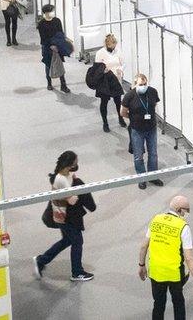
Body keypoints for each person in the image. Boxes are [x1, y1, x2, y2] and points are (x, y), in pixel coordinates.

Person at [138, 195, 193, 320]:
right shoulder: (183, 227)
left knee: (158, 304)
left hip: (156, 272)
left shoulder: (156, 219)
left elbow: (143, 246)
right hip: (175, 275)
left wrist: (141, 265)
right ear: (179, 210)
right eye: (186, 210)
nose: (187, 213)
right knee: (178, 303)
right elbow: (189, 259)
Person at [33, 151, 95, 282]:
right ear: (69, 164)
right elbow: (71, 200)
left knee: (67, 240)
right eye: (75, 163)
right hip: (65, 217)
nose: (77, 165)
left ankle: (41, 260)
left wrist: (75, 181)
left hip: (63, 216)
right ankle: (77, 272)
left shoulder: (66, 175)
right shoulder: (61, 179)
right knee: (77, 241)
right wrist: (78, 185)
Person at [121, 73, 162, 189]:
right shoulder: (129, 96)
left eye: (145, 84)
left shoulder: (153, 92)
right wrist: (134, 118)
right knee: (138, 155)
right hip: (137, 130)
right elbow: (122, 112)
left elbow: (154, 106)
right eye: (140, 84)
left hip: (151, 128)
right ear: (135, 84)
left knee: (153, 154)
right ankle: (142, 178)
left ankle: (153, 176)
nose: (143, 86)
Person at [94, 34, 127, 133]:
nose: (113, 47)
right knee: (104, 102)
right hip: (105, 81)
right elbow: (97, 67)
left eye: (114, 45)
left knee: (118, 102)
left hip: (116, 80)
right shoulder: (100, 53)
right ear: (107, 44)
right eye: (112, 46)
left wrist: (120, 69)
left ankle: (120, 118)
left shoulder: (118, 51)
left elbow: (123, 63)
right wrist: (103, 70)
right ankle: (105, 123)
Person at [38, 4, 70, 93]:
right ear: (46, 13)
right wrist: (51, 45)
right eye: (51, 11)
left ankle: (63, 84)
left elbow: (60, 33)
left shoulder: (57, 21)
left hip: (57, 46)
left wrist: (59, 43)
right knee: (48, 65)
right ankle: (49, 83)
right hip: (47, 47)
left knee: (59, 64)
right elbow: (43, 38)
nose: (52, 13)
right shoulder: (41, 24)